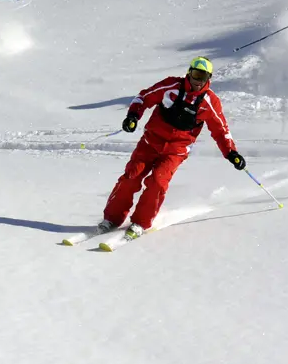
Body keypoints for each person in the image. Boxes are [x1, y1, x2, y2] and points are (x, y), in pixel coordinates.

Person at [98, 57, 247, 241]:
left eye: (202, 77)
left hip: (176, 150)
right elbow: (144, 97)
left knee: (158, 182)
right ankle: (112, 219)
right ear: (189, 73)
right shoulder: (171, 86)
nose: (197, 81)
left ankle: (141, 222)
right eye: (195, 74)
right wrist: (133, 116)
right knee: (132, 176)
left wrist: (231, 152)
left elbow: (221, 129)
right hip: (150, 142)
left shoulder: (209, 102)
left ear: (208, 78)